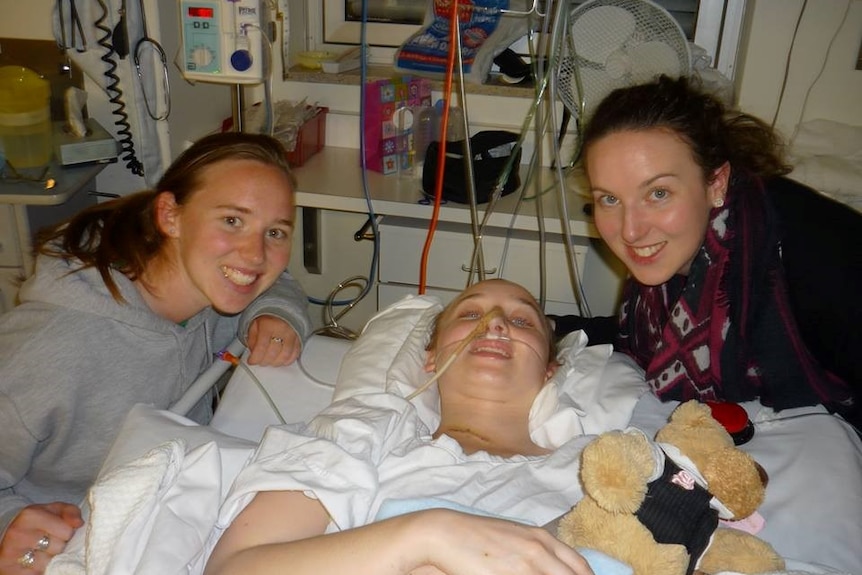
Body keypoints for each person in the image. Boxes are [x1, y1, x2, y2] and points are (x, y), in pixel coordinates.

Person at [0, 132, 313, 574]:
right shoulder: (53, 345)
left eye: (275, 232)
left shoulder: (212, 293)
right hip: (65, 548)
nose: (255, 253)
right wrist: (8, 524)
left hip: (161, 519)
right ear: (170, 215)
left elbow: (274, 281)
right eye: (231, 220)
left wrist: (277, 313)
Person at [203, 279, 600, 575]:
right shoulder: (367, 431)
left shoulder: (599, 470)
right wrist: (428, 535)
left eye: (520, 320)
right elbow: (235, 567)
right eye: (471, 315)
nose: (494, 324)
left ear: (550, 370)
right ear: (431, 357)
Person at [550, 75, 859, 429]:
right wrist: (542, 325)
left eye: (658, 193)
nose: (630, 230)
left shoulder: (813, 259)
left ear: (717, 183)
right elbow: (636, 338)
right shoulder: (680, 262)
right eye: (609, 198)